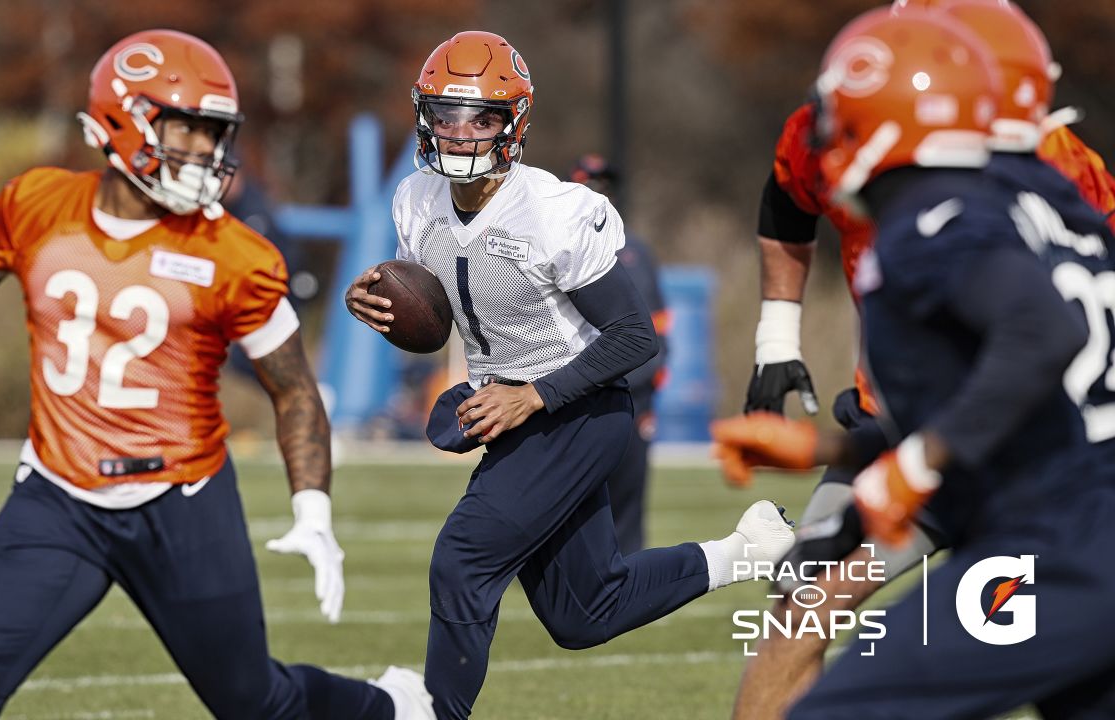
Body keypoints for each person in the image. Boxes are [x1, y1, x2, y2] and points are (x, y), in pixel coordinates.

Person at [0, 29, 432, 720]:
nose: (207, 154)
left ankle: (391, 709)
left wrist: (314, 508)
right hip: (58, 499)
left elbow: (293, 387)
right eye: (187, 132)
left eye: (215, 135)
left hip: (181, 502)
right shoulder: (36, 205)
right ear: (118, 124)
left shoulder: (234, 254)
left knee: (254, 702)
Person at [345, 30, 796, 719]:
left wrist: (534, 394)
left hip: (578, 411)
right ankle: (745, 550)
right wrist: (375, 305)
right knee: (584, 612)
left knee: (463, 557)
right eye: (447, 114)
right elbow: (435, 318)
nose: (462, 133)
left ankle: (434, 711)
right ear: (424, 116)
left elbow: (634, 336)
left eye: (483, 117)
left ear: (515, 123)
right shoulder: (415, 202)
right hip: (510, 409)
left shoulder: (552, 214)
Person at [716, 8, 1115, 717]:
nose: (824, 137)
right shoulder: (1051, 199)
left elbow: (1038, 341)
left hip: (1050, 528)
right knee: (804, 604)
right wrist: (837, 446)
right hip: (1024, 480)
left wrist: (911, 466)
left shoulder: (944, 213)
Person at [569, 153, 670, 555]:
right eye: (589, 181)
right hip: (574, 387)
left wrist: (654, 382)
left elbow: (660, 324)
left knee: (628, 487)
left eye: (604, 184)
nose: (598, 191)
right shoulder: (555, 240)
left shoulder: (637, 252)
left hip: (633, 390)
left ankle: (628, 567)